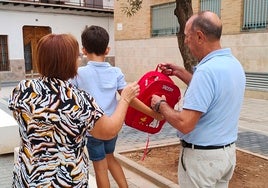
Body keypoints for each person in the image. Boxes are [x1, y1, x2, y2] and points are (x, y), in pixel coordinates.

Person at [8, 33, 140, 188]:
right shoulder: (80, 100)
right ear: (70, 62)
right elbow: (109, 131)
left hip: (28, 176)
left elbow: (20, 118)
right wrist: (124, 99)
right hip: (67, 179)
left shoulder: (23, 89)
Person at [151, 11, 246, 188]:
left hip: (202, 161)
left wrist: (160, 105)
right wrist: (180, 72)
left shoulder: (206, 71)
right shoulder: (234, 64)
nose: (186, 41)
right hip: (226, 155)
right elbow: (211, 91)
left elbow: (185, 123)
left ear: (200, 36)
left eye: (187, 36)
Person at [70, 25, 162, 188]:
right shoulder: (116, 72)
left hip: (94, 131)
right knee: (110, 157)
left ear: (84, 50)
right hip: (114, 126)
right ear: (107, 49)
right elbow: (129, 98)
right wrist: (152, 114)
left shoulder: (79, 74)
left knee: (100, 168)